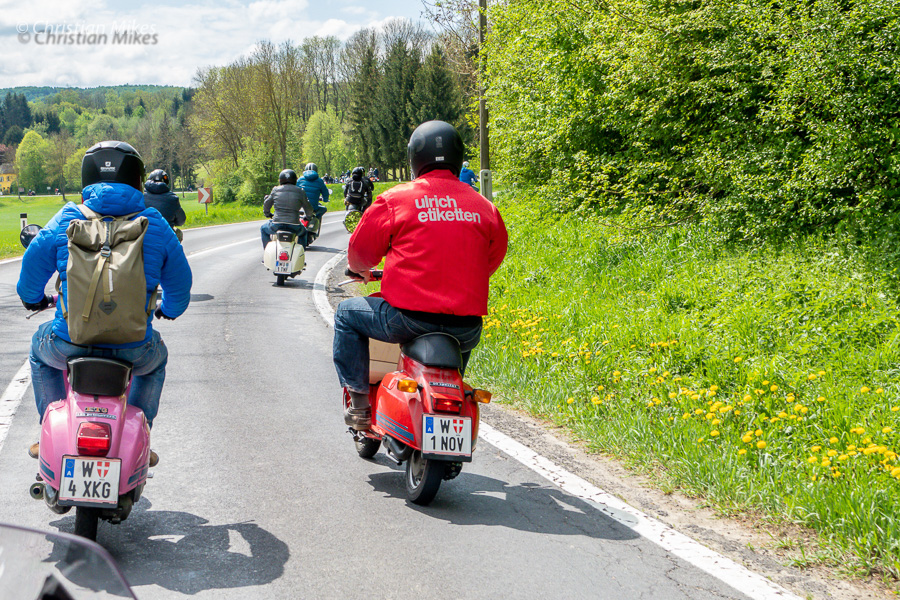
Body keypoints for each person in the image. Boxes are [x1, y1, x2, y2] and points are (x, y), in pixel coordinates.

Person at [17, 140, 192, 463]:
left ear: (87, 176)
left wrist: (34, 300)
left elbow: (30, 273)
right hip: (134, 347)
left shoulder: (67, 217)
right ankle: (139, 434)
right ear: (137, 178)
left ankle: (48, 431)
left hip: (68, 343)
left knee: (39, 351)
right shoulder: (155, 223)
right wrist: (166, 310)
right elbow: (180, 289)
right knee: (156, 360)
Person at [333, 121, 509, 430]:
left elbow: (361, 252)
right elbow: (490, 262)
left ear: (415, 158)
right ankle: (451, 399)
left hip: (407, 320)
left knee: (347, 314)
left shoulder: (396, 199)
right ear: (458, 158)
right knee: (458, 348)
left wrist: (360, 270)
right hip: (466, 328)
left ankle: (359, 405)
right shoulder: (485, 208)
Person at [261, 169, 316, 249]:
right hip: (294, 225)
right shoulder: (300, 191)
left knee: (263, 229)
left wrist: (267, 214)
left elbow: (267, 204)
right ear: (295, 180)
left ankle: (267, 250)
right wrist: (308, 217)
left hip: (277, 224)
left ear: (280, 180)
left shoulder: (275, 190)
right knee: (304, 232)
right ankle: (301, 253)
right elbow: (308, 208)